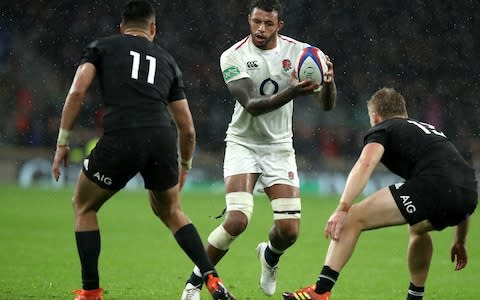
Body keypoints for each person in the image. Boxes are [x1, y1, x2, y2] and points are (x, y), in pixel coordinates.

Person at [51, 1, 236, 300]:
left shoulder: (102, 47)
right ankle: (211, 278)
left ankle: (90, 292)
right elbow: (187, 128)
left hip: (122, 133)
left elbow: (77, 91)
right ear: (153, 29)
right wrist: (185, 165)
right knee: (172, 211)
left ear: (122, 27)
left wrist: (62, 142)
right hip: (162, 137)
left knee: (84, 206)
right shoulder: (168, 61)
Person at [180, 0, 336, 299]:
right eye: (256, 22)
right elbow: (251, 106)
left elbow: (327, 105)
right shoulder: (233, 56)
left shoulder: (301, 53)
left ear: (280, 25)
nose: (260, 29)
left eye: (267, 24)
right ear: (249, 20)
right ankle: (194, 282)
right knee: (237, 219)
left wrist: (327, 82)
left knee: (289, 232)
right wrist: (292, 90)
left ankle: (269, 257)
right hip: (243, 143)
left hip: (279, 148)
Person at [282, 87, 478, 300]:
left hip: (434, 186)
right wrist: (460, 241)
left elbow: (366, 163)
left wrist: (342, 208)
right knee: (418, 228)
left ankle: (320, 292)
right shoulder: (427, 129)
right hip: (469, 195)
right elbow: (457, 179)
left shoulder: (383, 128)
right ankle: (415, 297)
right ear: (404, 113)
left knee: (351, 219)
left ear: (375, 117)